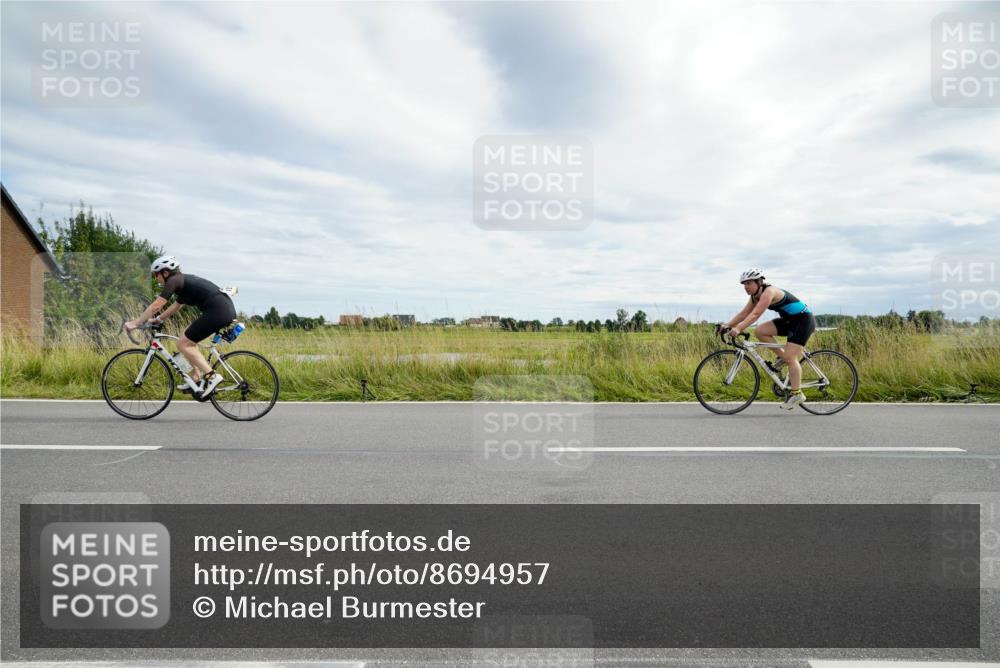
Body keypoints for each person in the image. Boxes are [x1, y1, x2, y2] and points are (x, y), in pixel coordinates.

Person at [125, 256, 236, 396]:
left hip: (218, 311)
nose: (155, 279)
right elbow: (177, 305)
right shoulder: (182, 281)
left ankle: (212, 376)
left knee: (183, 343)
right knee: (187, 340)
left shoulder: (173, 280)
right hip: (221, 309)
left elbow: (157, 305)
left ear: (165, 273)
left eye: (155, 275)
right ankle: (195, 377)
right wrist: (158, 319)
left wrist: (135, 323)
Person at [719, 268, 816, 410]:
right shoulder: (754, 296)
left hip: (803, 320)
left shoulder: (769, 292)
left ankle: (797, 393)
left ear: (759, 282)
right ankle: (784, 359)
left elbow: (756, 314)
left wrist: (738, 328)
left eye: (749, 283)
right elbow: (744, 314)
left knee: (791, 358)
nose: (746, 287)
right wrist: (727, 325)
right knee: (761, 331)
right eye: (744, 284)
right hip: (789, 321)